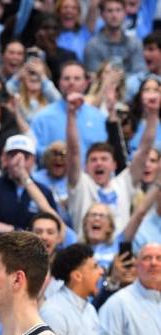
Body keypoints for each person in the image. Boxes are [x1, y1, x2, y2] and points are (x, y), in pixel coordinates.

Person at [65, 88, 156, 235]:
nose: (99, 163)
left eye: (104, 159)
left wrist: (153, 113)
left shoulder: (123, 183)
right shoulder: (80, 186)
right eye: (93, 160)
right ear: (86, 167)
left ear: (114, 165)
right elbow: (73, 151)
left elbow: (144, 150)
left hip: (120, 255)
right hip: (86, 254)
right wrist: (71, 114)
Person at [0, 135, 58, 249]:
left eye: (25, 157)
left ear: (33, 160)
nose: (19, 163)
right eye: (13, 155)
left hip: (33, 258)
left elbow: (52, 230)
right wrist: (28, 233)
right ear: (5, 158)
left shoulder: (44, 192)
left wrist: (13, 230)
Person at [31, 61, 108, 159]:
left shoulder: (99, 118)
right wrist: (49, 152)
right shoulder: (42, 117)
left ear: (85, 83)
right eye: (66, 78)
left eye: (77, 78)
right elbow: (33, 151)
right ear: (59, 83)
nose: (71, 82)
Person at [84, 0, 146, 76]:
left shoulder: (135, 44)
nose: (114, 15)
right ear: (102, 15)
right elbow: (94, 77)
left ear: (125, 13)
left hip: (132, 87)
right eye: (110, 11)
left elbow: (140, 74)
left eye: (118, 10)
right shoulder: (92, 46)